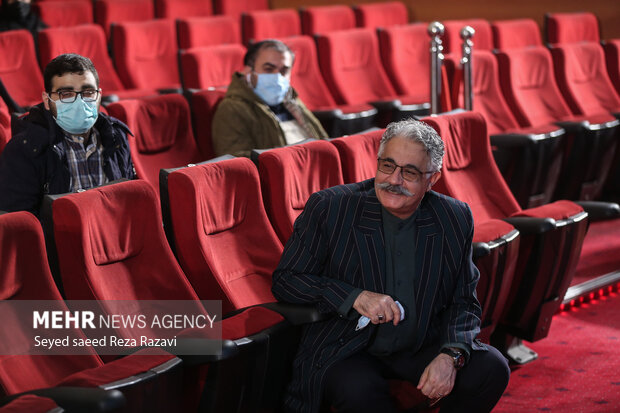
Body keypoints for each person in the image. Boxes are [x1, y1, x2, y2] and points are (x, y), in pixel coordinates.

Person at [271, 119, 510, 413]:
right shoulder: (331, 208)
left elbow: (464, 301)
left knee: (492, 368)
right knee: (360, 391)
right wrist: (355, 297)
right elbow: (287, 280)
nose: (394, 180)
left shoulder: (453, 217)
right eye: (387, 165)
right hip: (348, 346)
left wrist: (451, 355)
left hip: (420, 342)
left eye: (409, 172)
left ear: (432, 179)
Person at [0, 53, 134, 214]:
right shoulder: (24, 149)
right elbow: (21, 225)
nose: (79, 102)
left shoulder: (116, 136)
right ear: (47, 100)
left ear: (99, 95)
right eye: (66, 94)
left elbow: (129, 200)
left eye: (88, 92)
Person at [212, 39, 327, 158]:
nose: (277, 77)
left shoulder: (292, 101)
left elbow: (322, 140)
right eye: (268, 69)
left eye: (284, 71)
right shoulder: (232, 108)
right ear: (248, 71)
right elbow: (235, 161)